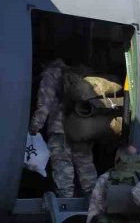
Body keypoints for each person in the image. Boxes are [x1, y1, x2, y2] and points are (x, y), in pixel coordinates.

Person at [29, 60, 98, 198]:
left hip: (59, 129)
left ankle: (66, 199)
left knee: (62, 165)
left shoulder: (50, 75)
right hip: (81, 127)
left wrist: (34, 128)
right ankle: (94, 197)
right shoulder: (77, 75)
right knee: (85, 165)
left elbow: (44, 104)